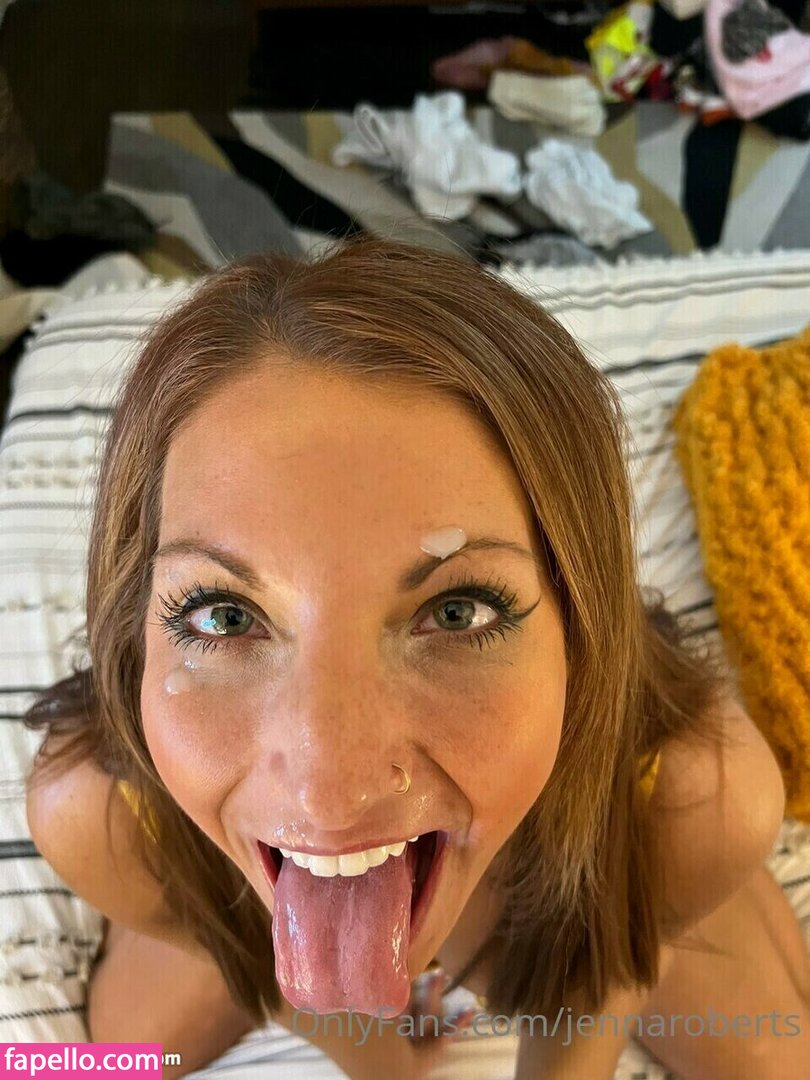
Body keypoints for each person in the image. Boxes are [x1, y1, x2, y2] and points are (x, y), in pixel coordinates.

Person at [23, 237, 809, 1079]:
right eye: (225, 615)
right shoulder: (93, 813)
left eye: (457, 611)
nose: (329, 795)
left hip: (593, 852)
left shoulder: (702, 797)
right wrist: (379, 1054)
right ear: (132, 616)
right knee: (109, 1064)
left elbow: (600, 976)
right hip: (218, 897)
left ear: (584, 623)